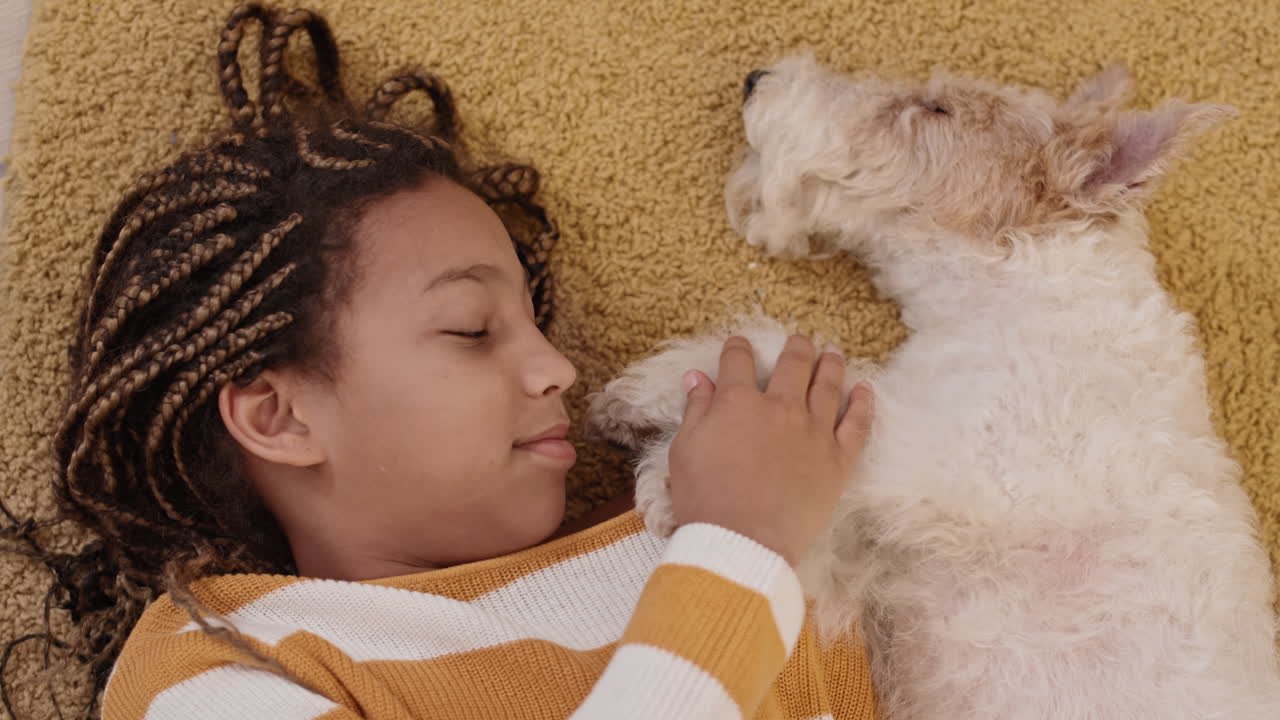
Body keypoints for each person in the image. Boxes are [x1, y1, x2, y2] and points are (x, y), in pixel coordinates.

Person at [1, 4, 878, 719]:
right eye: (470, 330)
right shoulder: (217, 665)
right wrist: (740, 546)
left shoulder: (687, 504)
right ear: (280, 416)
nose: (557, 369)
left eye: (533, 321)